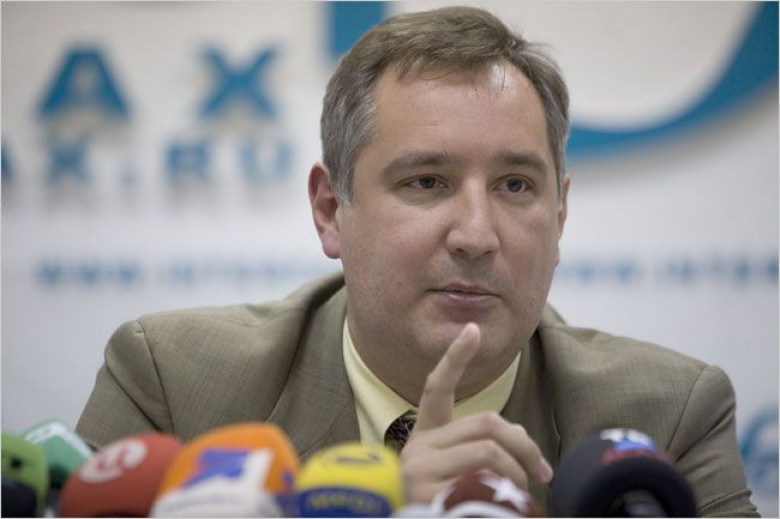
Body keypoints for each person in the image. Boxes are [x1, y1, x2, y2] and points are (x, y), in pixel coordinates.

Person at [76, 6, 757, 516]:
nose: (476, 235)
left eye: (515, 185)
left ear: (559, 216)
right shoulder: (172, 383)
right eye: (426, 181)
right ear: (330, 209)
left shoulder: (670, 416)